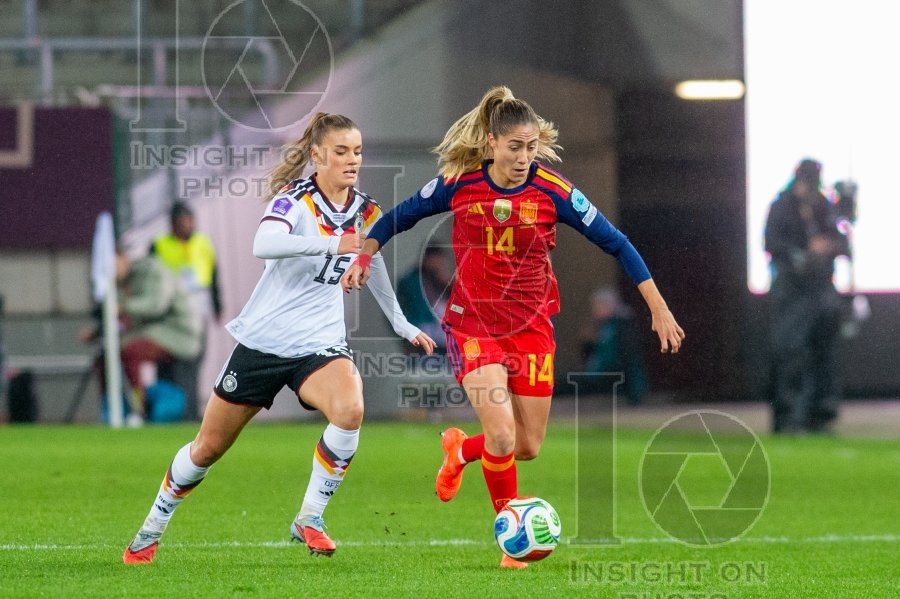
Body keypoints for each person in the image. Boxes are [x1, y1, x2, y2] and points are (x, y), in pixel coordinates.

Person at [342, 86, 684, 568]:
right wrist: (363, 254)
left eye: (531, 147)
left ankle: (461, 451)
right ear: (490, 143)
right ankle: (512, 543)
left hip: (532, 330)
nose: (524, 157)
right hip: (473, 325)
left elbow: (617, 243)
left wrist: (658, 306)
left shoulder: (554, 191)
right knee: (502, 436)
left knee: (526, 446)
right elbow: (399, 217)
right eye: (515, 147)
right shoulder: (458, 183)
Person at [123, 112, 436, 564]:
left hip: (320, 346)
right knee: (207, 448)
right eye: (342, 151)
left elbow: (373, 261)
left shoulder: (367, 211)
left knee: (350, 409)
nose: (353, 160)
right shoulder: (296, 199)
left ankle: (310, 517)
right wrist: (334, 246)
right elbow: (264, 244)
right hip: (263, 344)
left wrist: (402, 322)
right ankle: (151, 527)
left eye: (359, 151)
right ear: (317, 155)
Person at [764, 158, 849, 433]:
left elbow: (840, 242)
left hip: (821, 292)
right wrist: (804, 253)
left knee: (822, 352)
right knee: (791, 351)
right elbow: (773, 244)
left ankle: (819, 413)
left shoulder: (823, 207)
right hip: (791, 292)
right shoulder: (781, 208)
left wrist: (829, 246)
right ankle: (789, 415)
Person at [81, 249, 203, 426]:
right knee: (105, 357)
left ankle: (140, 410)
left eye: (113, 264)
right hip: (151, 332)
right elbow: (123, 320)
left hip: (179, 333)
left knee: (131, 351)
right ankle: (113, 410)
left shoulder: (152, 270)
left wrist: (122, 307)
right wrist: (96, 333)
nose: (111, 271)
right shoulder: (119, 283)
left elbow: (156, 305)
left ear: (124, 258)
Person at [150, 201, 223, 420]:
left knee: (194, 361)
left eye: (191, 220)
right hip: (170, 309)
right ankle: (170, 410)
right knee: (167, 361)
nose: (189, 225)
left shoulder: (203, 243)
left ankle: (190, 409)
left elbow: (213, 276)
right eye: (184, 221)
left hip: (197, 307)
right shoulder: (159, 245)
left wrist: (217, 304)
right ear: (173, 223)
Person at [579, 286, 648, 405]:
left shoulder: (623, 324)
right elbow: (588, 355)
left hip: (617, 373)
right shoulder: (598, 325)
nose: (595, 310)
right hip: (598, 373)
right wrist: (587, 341)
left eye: (598, 306)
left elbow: (629, 355)